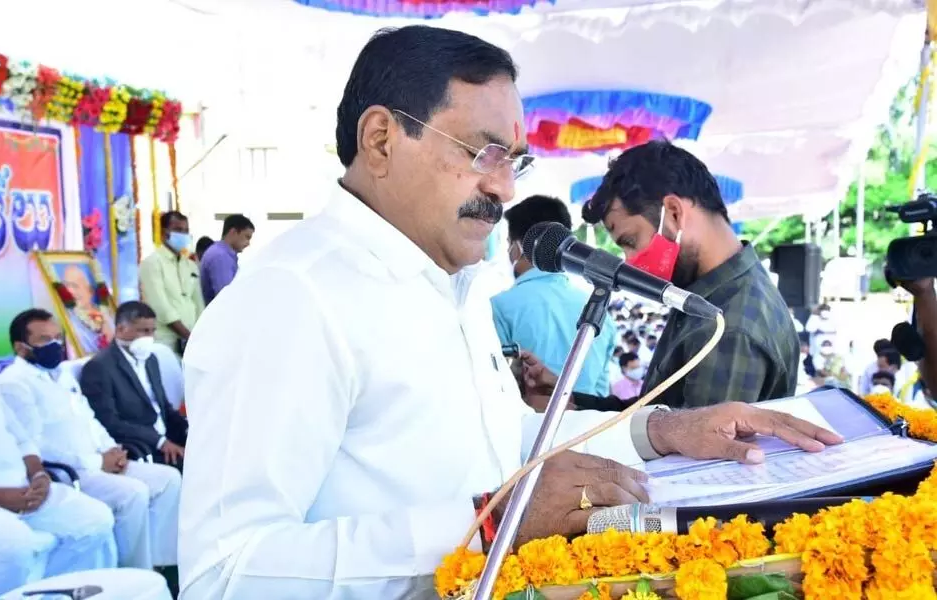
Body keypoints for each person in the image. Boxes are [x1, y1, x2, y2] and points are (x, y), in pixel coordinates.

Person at [176, 26, 842, 599]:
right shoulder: (291, 299)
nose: (503, 186)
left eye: (514, 160)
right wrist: (491, 524)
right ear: (380, 140)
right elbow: (225, 573)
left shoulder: (451, 285)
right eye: (482, 151)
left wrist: (666, 433)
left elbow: (503, 452)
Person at [581, 140, 798, 408]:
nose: (630, 261)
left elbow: (690, 443)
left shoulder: (728, 326)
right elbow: (660, 420)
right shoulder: (707, 296)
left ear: (673, 213)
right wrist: (573, 403)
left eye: (631, 241)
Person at [0, 306, 116, 595]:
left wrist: (39, 475)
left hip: (25, 488)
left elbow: (20, 437)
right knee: (15, 546)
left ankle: (56, 592)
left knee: (95, 520)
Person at [0, 309, 182, 571]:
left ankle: (163, 561)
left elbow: (90, 418)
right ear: (21, 347)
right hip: (71, 471)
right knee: (133, 493)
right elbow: (34, 445)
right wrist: (96, 461)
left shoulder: (61, 374)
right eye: (44, 340)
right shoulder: (14, 384)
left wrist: (112, 449)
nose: (55, 345)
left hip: (102, 458)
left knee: (168, 479)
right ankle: (135, 570)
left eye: (57, 338)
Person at [491, 195, 616, 398]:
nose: (508, 252)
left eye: (508, 244)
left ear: (521, 245)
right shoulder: (601, 313)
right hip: (591, 425)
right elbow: (601, 395)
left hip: (531, 428)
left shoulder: (498, 307)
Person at [80, 302, 188, 467]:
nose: (150, 338)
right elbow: (110, 422)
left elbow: (164, 407)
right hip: (141, 446)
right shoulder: (99, 367)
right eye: (144, 331)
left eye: (152, 331)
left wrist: (189, 429)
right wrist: (160, 442)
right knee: (196, 468)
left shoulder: (151, 359)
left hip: (168, 436)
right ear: (121, 329)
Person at [139, 211, 204, 355]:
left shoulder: (190, 265)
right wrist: (187, 336)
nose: (183, 235)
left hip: (192, 339)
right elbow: (160, 306)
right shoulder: (152, 263)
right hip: (165, 340)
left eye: (186, 231)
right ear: (164, 234)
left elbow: (198, 303)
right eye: (178, 230)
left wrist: (199, 335)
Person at [199, 214, 256, 305]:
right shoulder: (220, 257)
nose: (248, 243)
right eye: (247, 237)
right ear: (233, 232)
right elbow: (226, 298)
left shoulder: (221, 253)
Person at [60, 264, 114, 354]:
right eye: (66, 286)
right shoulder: (70, 320)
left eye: (75, 286)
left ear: (91, 290)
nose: (70, 291)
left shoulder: (107, 315)